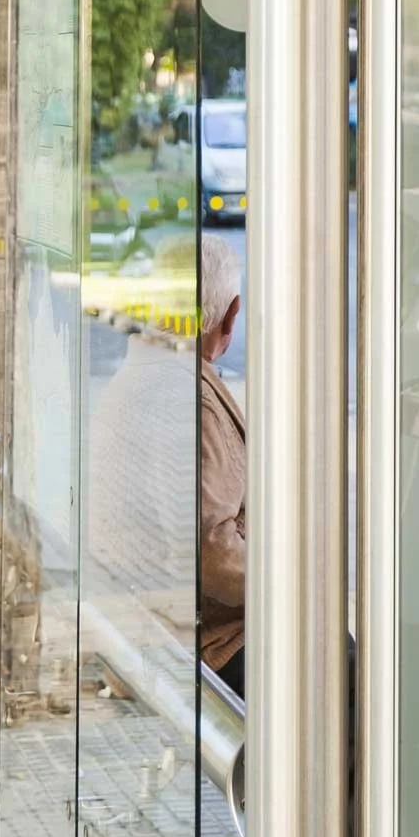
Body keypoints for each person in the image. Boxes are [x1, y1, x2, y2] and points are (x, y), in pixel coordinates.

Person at [198, 228, 248, 697]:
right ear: (231, 315)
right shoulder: (197, 401)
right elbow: (216, 555)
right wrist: (290, 583)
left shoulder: (149, 370)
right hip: (225, 642)